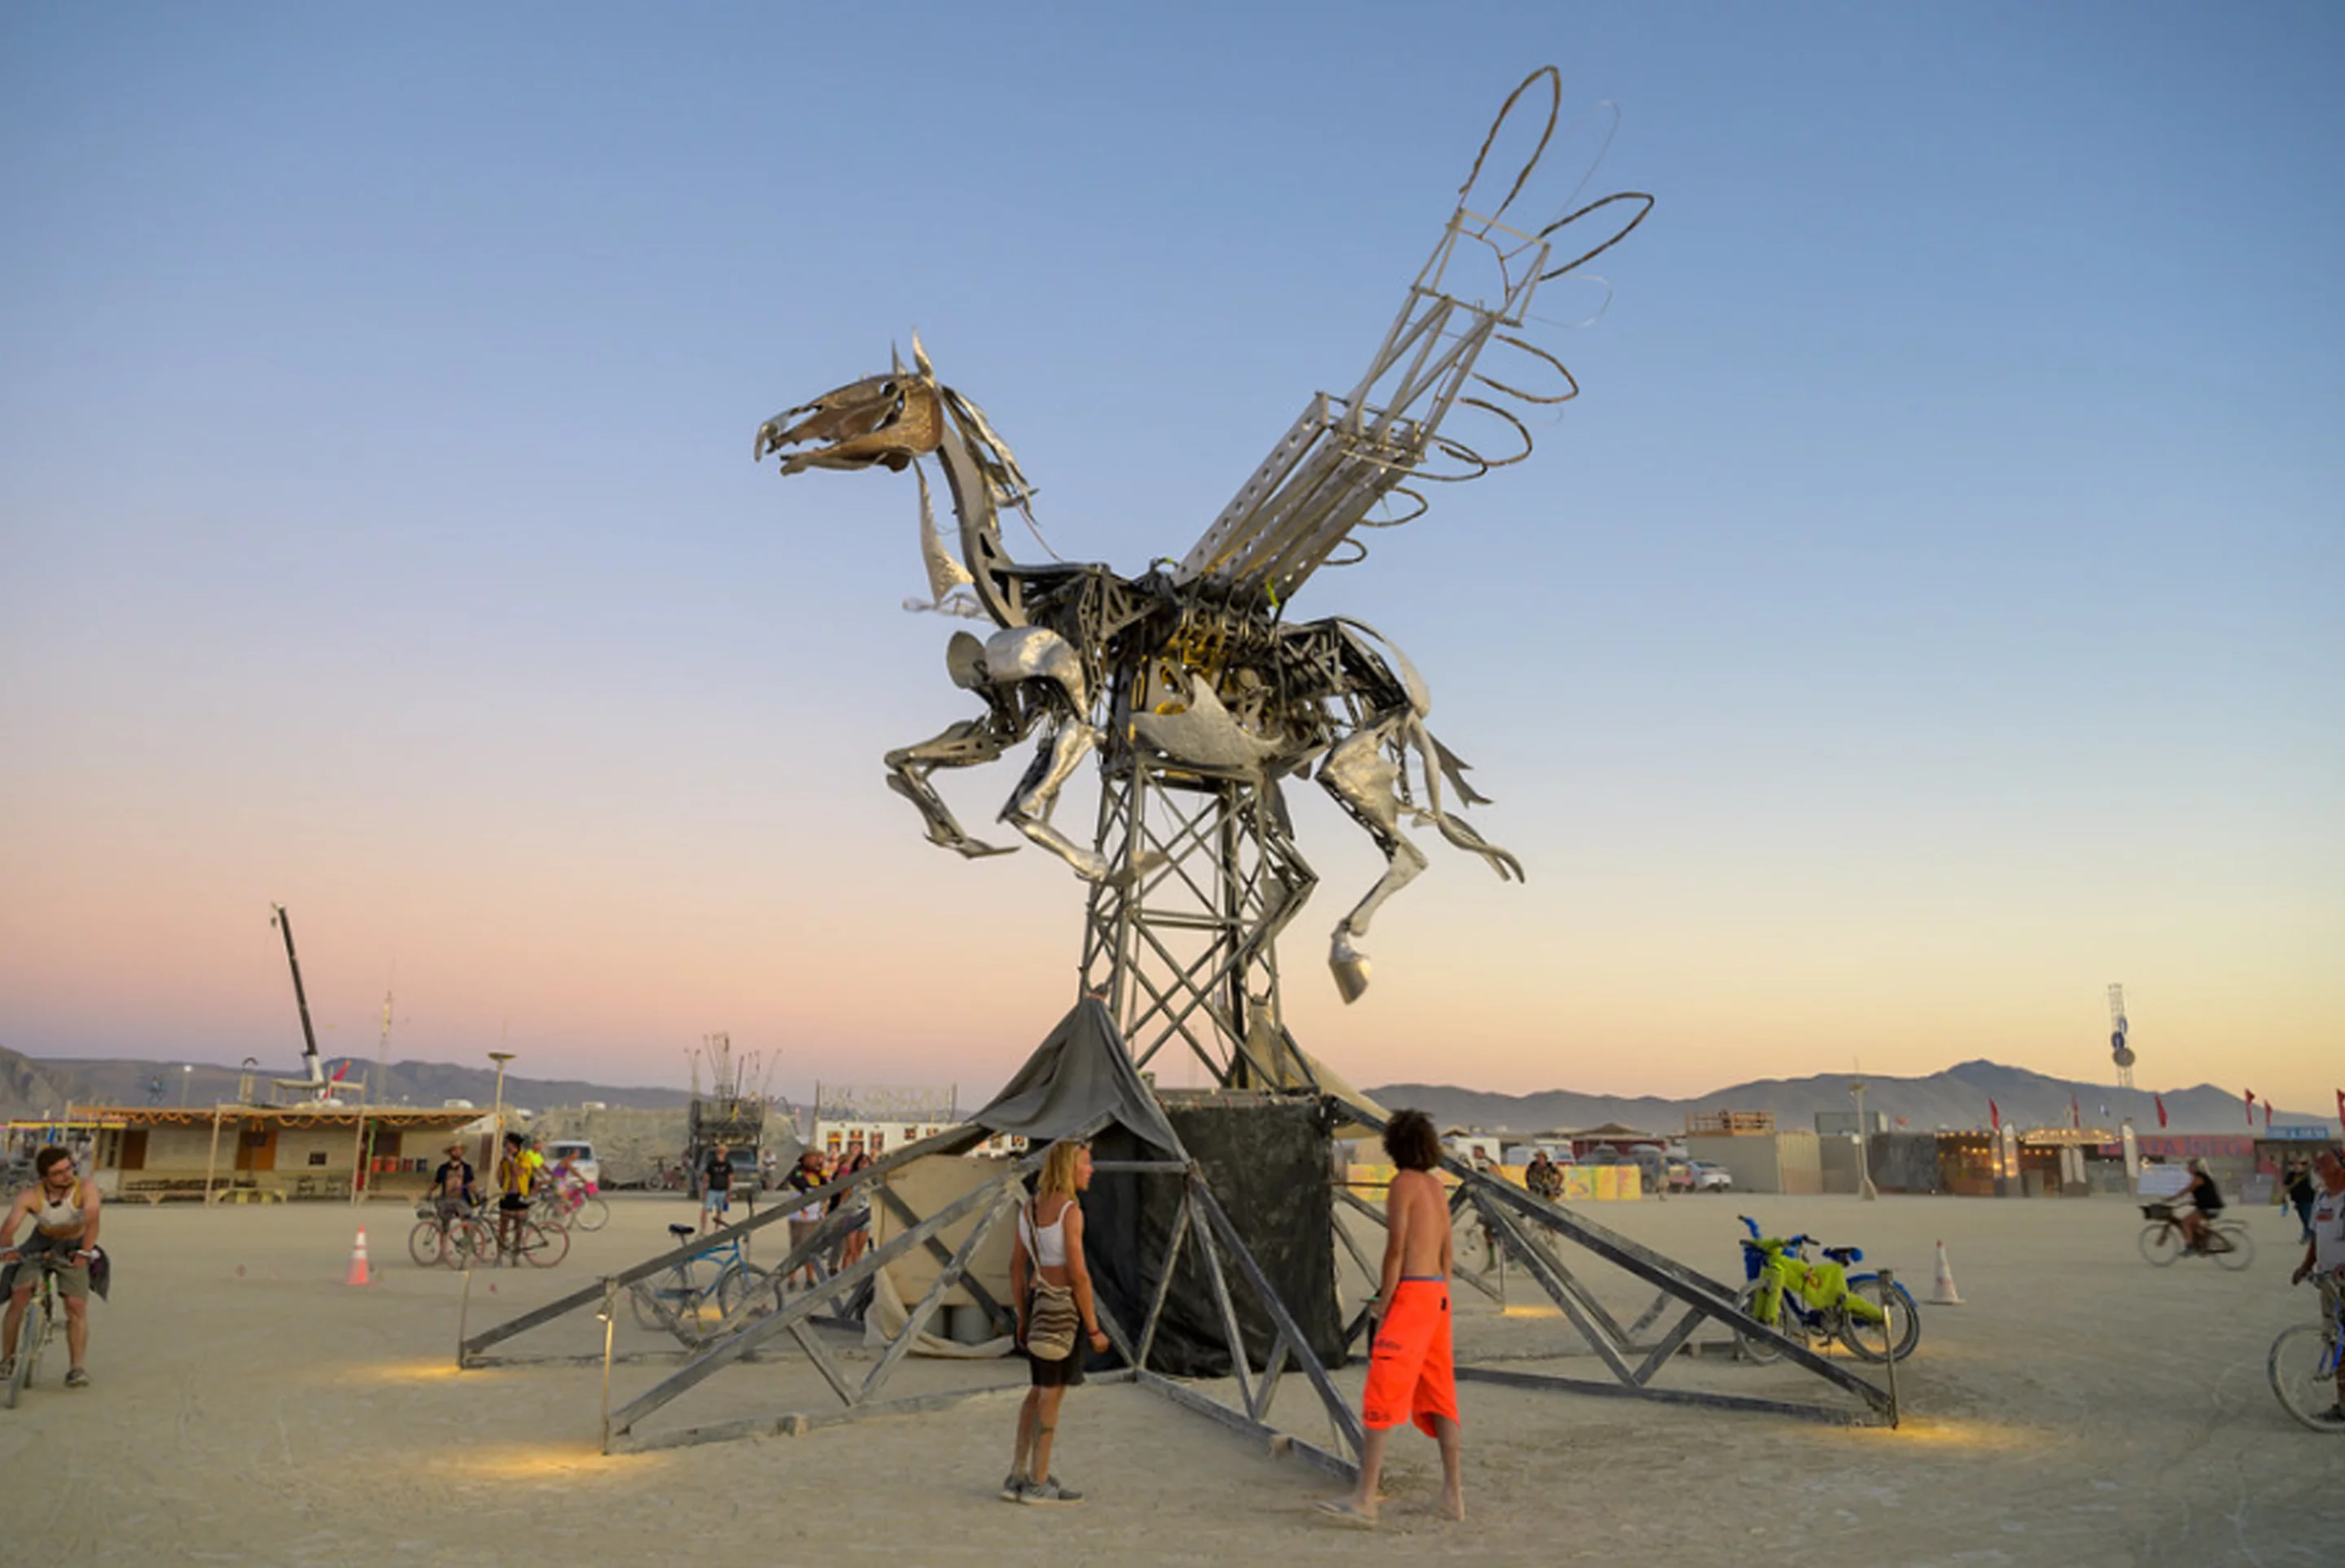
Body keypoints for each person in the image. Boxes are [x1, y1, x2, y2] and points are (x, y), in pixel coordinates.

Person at [1321, 1109, 1462, 1528]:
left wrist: (1387, 1296)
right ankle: (1453, 1496)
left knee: (1383, 1389)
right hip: (1437, 1293)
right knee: (1440, 1394)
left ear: (1394, 1146)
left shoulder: (1404, 1184)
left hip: (1414, 1293)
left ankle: (1366, 1498)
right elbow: (1447, 1250)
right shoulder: (1437, 1187)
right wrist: (1441, 1293)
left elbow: (1397, 1246)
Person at [1003, 1139, 1111, 1507]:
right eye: (1086, 1163)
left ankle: (1017, 1473)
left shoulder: (1030, 1209)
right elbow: (1079, 1274)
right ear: (1070, 1167)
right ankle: (1039, 1480)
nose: (1091, 1170)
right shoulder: (1070, 1211)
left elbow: (1016, 1267)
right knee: (1053, 1393)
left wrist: (1022, 1315)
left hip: (1037, 1304)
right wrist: (1094, 1328)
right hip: (1062, 1310)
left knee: (1037, 1389)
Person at [0, 1145, 102, 1389]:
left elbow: (92, 1222)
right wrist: (7, 1251)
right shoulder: (30, 1196)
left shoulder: (85, 1188)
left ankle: (76, 1368)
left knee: (76, 1305)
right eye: (59, 1173)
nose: (67, 1175)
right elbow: (9, 1227)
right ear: (45, 1177)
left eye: (69, 1168)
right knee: (20, 1293)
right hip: (41, 1241)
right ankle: (7, 1358)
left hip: (76, 1243)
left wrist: (85, 1253)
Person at [2286, 1145, 2345, 1424]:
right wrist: (2305, 1267)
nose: (2318, 1169)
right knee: (2337, 1341)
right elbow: (2317, 1239)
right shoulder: (2322, 1200)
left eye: (2325, 1164)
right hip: (2329, 1283)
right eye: (2317, 1165)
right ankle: (2343, 1404)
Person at [493, 1132, 543, 1264]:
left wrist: (511, 1160)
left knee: (518, 1226)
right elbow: (501, 1176)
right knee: (503, 1226)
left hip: (521, 1195)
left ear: (514, 1145)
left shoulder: (525, 1158)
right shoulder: (504, 1159)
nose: (506, 1146)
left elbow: (517, 1172)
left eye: (508, 1144)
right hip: (507, 1195)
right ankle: (499, 1255)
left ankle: (516, 1254)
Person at [783, 1150, 830, 1290]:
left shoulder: (817, 1172)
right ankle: (792, 1279)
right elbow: (807, 1189)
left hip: (815, 1216)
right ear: (805, 1158)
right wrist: (821, 1188)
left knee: (811, 1249)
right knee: (797, 1249)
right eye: (814, 1157)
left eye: (819, 1157)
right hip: (799, 1218)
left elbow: (829, 1185)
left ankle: (810, 1278)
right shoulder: (797, 1172)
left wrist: (822, 1171)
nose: (818, 1160)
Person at [2176, 1158, 2226, 1253]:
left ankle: (2190, 1247)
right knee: (2197, 1225)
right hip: (2212, 1208)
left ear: (2195, 1168)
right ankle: (2203, 1241)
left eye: (2190, 1167)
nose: (2188, 1169)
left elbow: (2187, 1189)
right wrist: (2194, 1202)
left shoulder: (2198, 1178)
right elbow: (2204, 1194)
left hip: (2209, 1209)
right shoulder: (2203, 1177)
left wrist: (2172, 1198)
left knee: (2185, 1222)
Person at [836, 1150, 875, 1270]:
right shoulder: (852, 1180)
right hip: (852, 1217)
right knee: (850, 1251)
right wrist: (841, 1216)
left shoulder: (872, 1180)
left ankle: (855, 1276)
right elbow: (843, 1200)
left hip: (866, 1217)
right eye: (862, 1162)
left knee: (859, 1249)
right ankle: (847, 1277)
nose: (864, 1165)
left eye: (866, 1162)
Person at [429, 1142, 478, 1218]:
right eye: (455, 1150)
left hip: (461, 1199)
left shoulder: (466, 1168)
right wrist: (429, 1192)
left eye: (459, 1150)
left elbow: (471, 1184)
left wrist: (476, 1196)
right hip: (446, 1199)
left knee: (467, 1220)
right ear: (450, 1152)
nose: (457, 1152)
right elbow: (436, 1182)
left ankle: (468, 1229)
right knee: (443, 1222)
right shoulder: (443, 1168)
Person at [701, 1143, 734, 1234]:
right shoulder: (711, 1164)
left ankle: (717, 1229)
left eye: (723, 1152)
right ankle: (703, 1229)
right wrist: (704, 1191)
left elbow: (730, 1179)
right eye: (720, 1151)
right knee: (705, 1209)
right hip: (712, 1190)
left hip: (723, 1190)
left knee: (719, 1210)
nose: (721, 1153)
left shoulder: (728, 1164)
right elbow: (706, 1177)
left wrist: (729, 1193)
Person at [2284, 1158, 2317, 1246]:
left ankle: (2307, 1235)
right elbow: (2286, 1186)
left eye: (2299, 1165)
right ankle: (2310, 1235)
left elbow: (2315, 1185)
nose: (2297, 1167)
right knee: (2303, 1219)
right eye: (2295, 1165)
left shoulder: (2308, 1175)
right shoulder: (2291, 1175)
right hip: (2297, 1201)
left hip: (2308, 1200)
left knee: (2308, 1218)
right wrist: (2285, 1197)